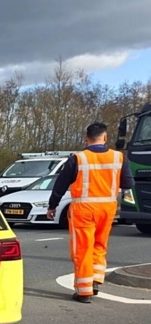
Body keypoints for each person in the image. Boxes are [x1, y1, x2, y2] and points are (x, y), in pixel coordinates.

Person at [48, 122, 135, 303]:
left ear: (86, 138)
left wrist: (52, 205)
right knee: (99, 246)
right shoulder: (119, 157)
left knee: (82, 249)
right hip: (107, 209)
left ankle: (84, 291)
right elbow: (128, 184)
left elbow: (60, 185)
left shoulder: (78, 158)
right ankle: (95, 279)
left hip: (84, 209)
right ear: (105, 138)